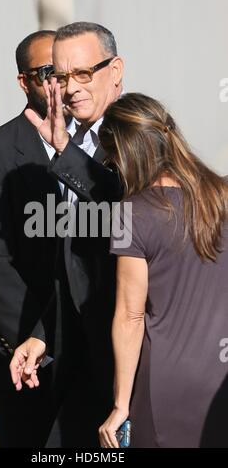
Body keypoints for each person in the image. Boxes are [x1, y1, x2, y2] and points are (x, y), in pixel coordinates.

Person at [9, 22, 124, 446]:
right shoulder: (70, 140)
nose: (70, 88)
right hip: (83, 356)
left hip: (129, 363)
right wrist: (42, 335)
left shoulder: (140, 133)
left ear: (115, 71)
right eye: (60, 76)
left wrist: (64, 152)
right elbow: (74, 262)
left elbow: (120, 210)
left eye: (83, 73)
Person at [98, 92, 228, 448]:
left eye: (111, 160)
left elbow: (130, 315)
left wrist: (120, 404)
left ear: (125, 155)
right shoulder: (223, 195)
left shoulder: (131, 214)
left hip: (167, 385)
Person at [0, 30, 68, 447]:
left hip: (83, 355)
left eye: (65, 72)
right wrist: (38, 340)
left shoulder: (96, 146)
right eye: (46, 73)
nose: (58, 83)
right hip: (18, 355)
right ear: (24, 82)